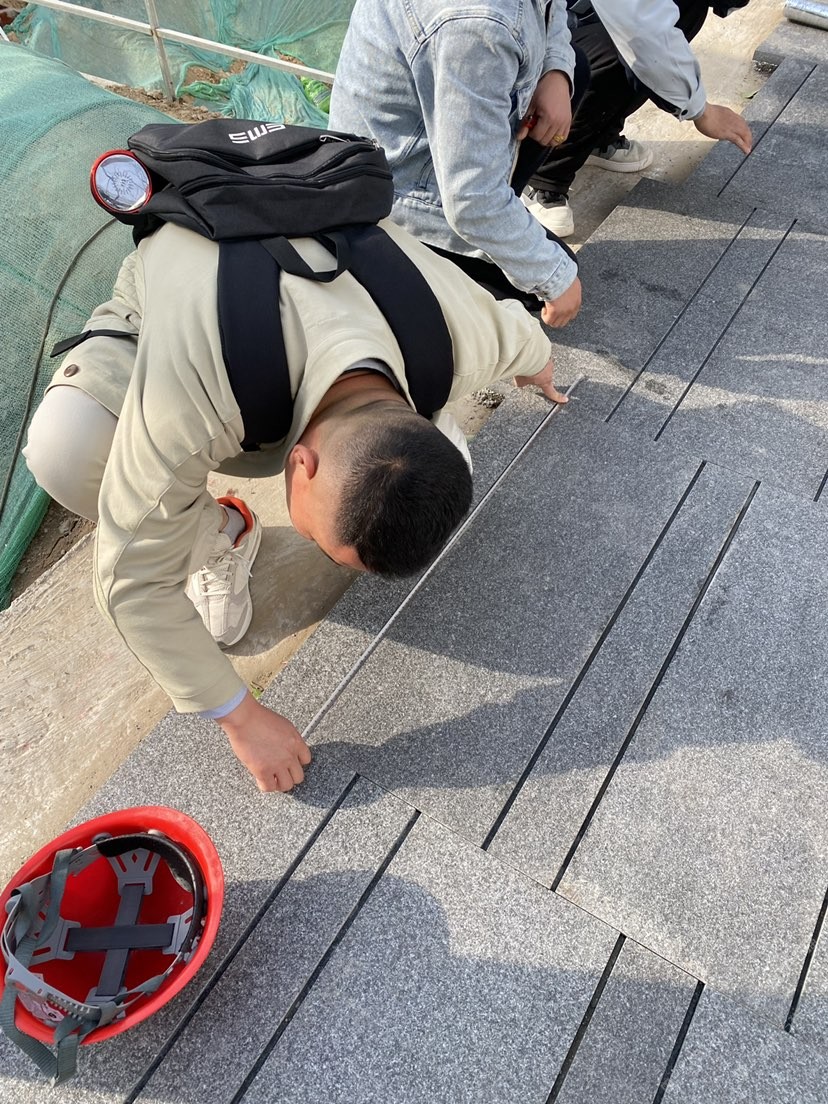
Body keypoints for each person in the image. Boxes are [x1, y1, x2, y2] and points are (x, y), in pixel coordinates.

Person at [24, 218, 568, 795]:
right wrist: (240, 717)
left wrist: (540, 370)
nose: (320, 554)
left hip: (306, 288)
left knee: (437, 457)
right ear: (300, 463)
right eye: (322, 545)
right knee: (68, 450)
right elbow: (129, 583)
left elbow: (522, 337)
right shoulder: (192, 401)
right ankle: (220, 536)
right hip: (173, 302)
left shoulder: (457, 339)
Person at [329, 0, 588, 328]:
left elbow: (552, 7)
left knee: (577, 66)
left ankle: (501, 211)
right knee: (552, 278)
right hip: (392, 205)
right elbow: (471, 199)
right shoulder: (477, 24)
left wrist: (556, 71)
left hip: (414, 162)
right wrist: (554, 276)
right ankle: (404, 292)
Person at [522, 0, 754, 237]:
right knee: (621, 45)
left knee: (686, 7)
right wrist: (702, 112)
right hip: (514, 41)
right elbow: (641, 30)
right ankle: (539, 171)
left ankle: (595, 134)